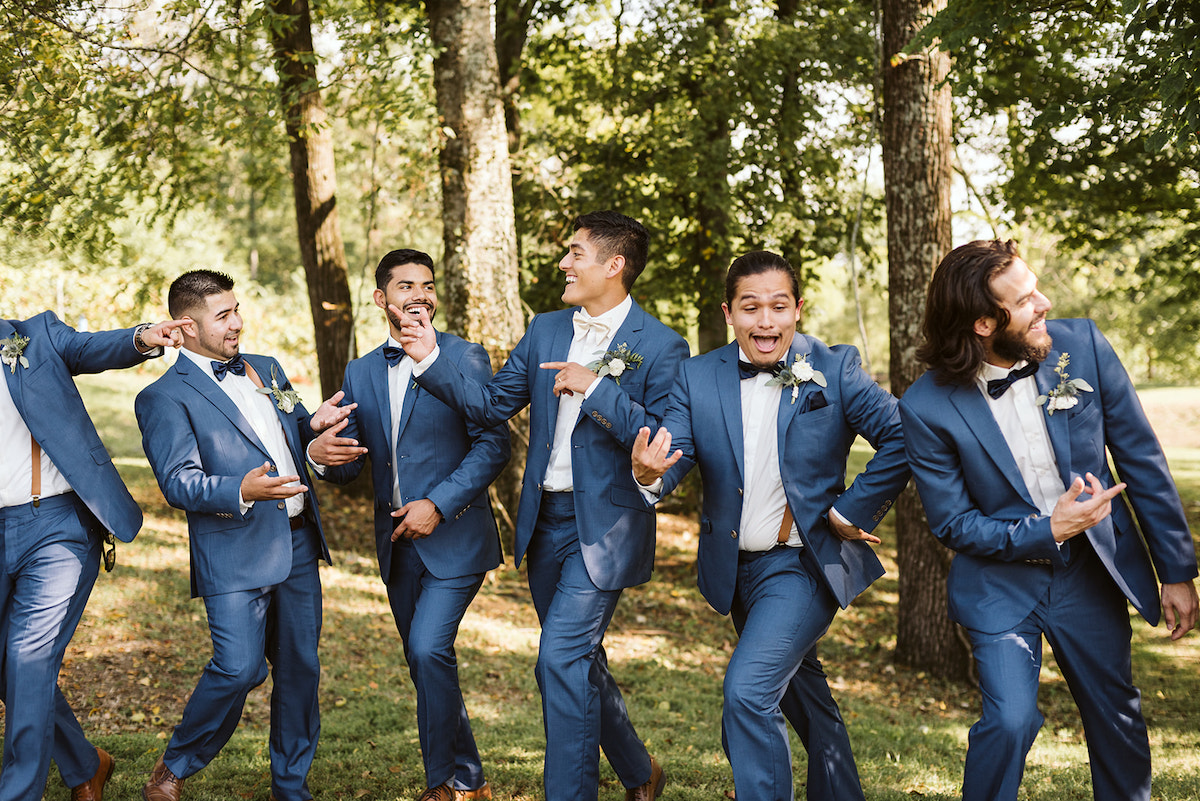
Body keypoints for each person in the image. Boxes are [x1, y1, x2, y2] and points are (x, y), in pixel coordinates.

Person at [397, 211, 690, 801]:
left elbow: (668, 443)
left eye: (576, 253)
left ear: (614, 265)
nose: (563, 262)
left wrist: (597, 388)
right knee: (577, 661)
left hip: (605, 526)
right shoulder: (547, 328)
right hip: (545, 524)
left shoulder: (662, 345)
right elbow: (488, 405)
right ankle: (640, 772)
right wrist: (429, 358)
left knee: (557, 660)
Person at [898, 239, 1199, 801]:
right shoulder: (926, 404)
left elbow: (1142, 458)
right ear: (984, 323)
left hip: (1090, 572)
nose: (1044, 302)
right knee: (1010, 722)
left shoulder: (1079, 345)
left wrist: (1176, 570)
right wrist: (1048, 529)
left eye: (1035, 287)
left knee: (1115, 715)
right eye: (1026, 298)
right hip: (998, 583)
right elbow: (952, 524)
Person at [631, 250, 909, 801]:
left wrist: (852, 510)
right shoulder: (696, 374)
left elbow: (905, 436)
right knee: (805, 698)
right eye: (750, 307)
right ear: (728, 313)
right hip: (735, 571)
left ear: (798, 309)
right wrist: (649, 475)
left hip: (801, 566)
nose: (765, 321)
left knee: (749, 692)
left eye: (778, 307)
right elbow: (675, 455)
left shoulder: (835, 367)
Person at [134, 270, 349, 801]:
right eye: (223, 316)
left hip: (298, 542)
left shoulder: (268, 368)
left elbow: (292, 438)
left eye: (237, 310)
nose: (237, 323)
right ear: (186, 326)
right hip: (232, 549)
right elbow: (178, 482)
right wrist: (242, 490)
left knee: (300, 672)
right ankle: (175, 765)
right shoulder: (162, 397)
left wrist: (312, 432)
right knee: (237, 668)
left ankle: (290, 788)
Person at [308, 249, 510, 801]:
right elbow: (350, 464)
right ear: (381, 299)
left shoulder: (466, 357)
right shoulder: (361, 370)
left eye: (426, 286)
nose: (417, 295)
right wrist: (322, 454)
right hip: (396, 546)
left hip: (456, 537)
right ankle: (471, 780)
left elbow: (495, 445)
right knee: (428, 664)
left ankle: (441, 787)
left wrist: (439, 504)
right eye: (404, 287)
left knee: (426, 651)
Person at [0, 310, 184, 801]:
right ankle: (86, 763)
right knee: (8, 666)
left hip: (54, 525)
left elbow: (88, 347)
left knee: (27, 656)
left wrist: (143, 337)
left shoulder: (32, 336)